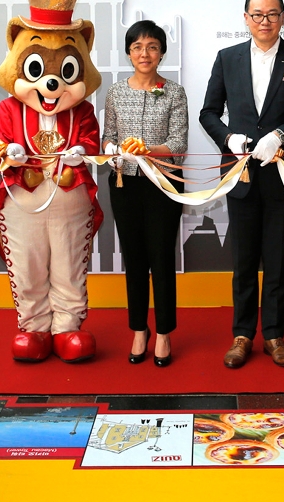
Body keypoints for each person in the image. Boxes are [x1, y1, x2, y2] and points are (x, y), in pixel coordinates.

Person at [200, 0, 284, 369]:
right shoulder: (227, 58)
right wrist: (228, 137)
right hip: (243, 173)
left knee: (278, 259)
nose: (264, 20)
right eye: (257, 14)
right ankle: (242, 335)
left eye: (272, 14)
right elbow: (208, 112)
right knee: (245, 259)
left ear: (283, 17)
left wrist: (280, 135)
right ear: (246, 18)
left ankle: (274, 335)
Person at [101, 20, 188, 367]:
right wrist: (113, 149)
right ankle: (139, 329)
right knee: (134, 259)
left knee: (162, 259)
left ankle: (164, 332)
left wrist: (145, 149)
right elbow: (106, 135)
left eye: (152, 46)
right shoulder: (115, 91)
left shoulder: (175, 92)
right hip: (125, 183)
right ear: (128, 53)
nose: (144, 53)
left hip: (163, 184)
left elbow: (179, 145)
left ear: (162, 52)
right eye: (137, 47)